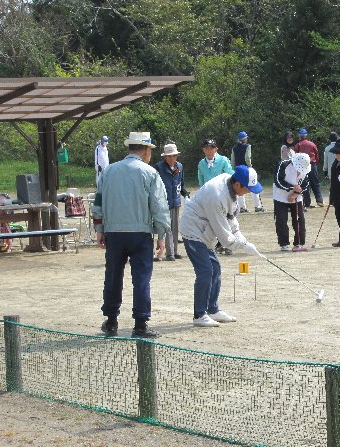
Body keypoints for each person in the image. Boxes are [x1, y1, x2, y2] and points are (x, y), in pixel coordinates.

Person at [93, 131, 171, 338]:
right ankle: (140, 324)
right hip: (140, 233)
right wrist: (161, 235)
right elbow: (159, 206)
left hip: (114, 233)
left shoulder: (108, 171)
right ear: (146, 150)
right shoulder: (149, 173)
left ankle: (111, 321)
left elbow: (98, 203)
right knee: (141, 279)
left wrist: (99, 230)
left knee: (112, 276)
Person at [179, 165, 263, 327]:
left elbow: (230, 219)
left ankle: (212, 309)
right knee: (205, 271)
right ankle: (199, 314)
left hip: (205, 230)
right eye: (248, 188)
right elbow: (224, 237)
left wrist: (243, 239)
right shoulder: (215, 195)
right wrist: (243, 245)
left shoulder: (230, 187)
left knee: (215, 268)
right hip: (193, 230)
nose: (249, 192)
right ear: (237, 184)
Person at [198, 138, 235, 256]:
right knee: (211, 221)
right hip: (208, 197)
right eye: (207, 148)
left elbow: (230, 175)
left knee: (227, 220)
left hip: (224, 195)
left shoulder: (223, 160)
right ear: (203, 150)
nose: (209, 151)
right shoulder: (201, 163)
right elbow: (201, 181)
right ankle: (215, 245)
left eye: (212, 148)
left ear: (216, 149)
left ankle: (228, 245)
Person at [154, 141, 189, 261]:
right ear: (165, 157)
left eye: (174, 155)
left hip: (176, 200)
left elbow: (181, 183)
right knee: (167, 228)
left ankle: (174, 251)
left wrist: (185, 194)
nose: (172, 158)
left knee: (175, 227)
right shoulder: (159, 167)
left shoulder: (179, 166)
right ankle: (169, 254)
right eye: (170, 156)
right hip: (164, 202)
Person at [273, 153, 311, 252]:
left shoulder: (306, 169)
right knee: (281, 220)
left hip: (296, 197)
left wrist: (295, 194)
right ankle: (284, 244)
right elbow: (278, 180)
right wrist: (292, 188)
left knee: (299, 219)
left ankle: (299, 243)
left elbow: (305, 184)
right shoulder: (283, 164)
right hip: (280, 195)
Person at [231, 131, 265, 212]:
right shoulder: (248, 146)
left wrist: (234, 169)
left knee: (240, 187)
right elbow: (247, 158)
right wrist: (250, 167)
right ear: (244, 138)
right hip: (247, 169)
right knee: (253, 186)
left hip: (238, 170)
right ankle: (258, 207)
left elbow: (232, 160)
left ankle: (242, 207)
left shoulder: (234, 148)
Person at [294, 128, 324, 208]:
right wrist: (315, 163)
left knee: (304, 184)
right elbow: (316, 155)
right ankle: (319, 200)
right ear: (306, 135)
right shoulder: (312, 144)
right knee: (315, 183)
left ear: (299, 135)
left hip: (302, 167)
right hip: (312, 164)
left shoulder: (298, 145)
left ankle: (307, 203)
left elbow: (296, 157)